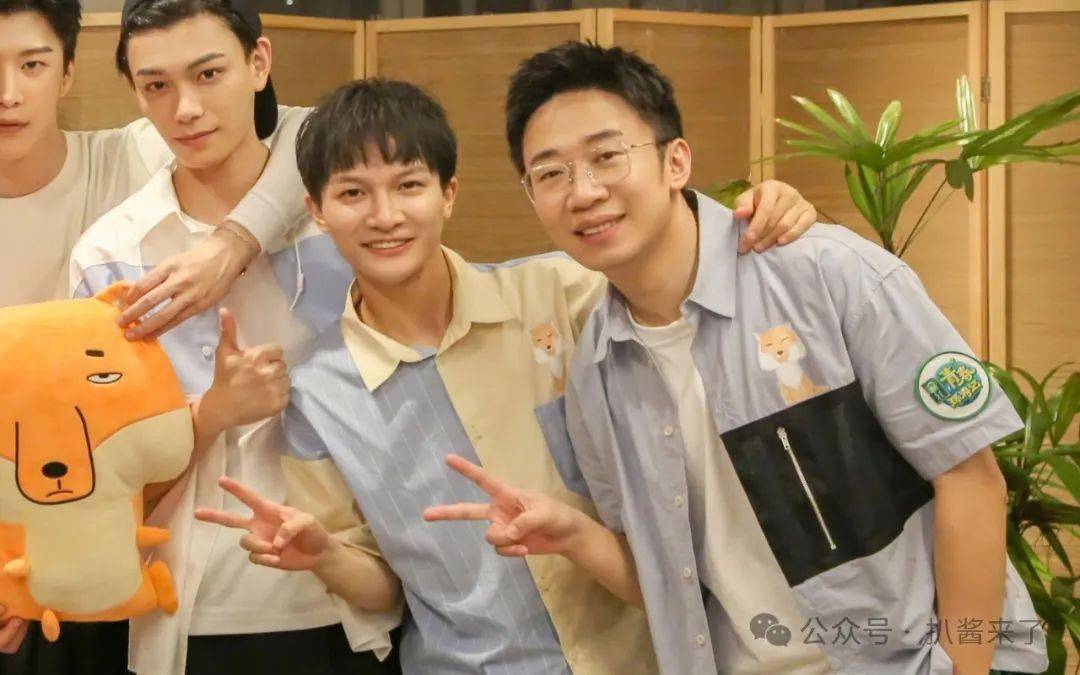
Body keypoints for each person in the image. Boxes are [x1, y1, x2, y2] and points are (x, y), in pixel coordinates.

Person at [433, 41, 1049, 674]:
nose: (583, 192)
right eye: (550, 174)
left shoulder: (827, 274)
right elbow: (671, 582)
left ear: (676, 161)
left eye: (607, 156)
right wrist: (574, 536)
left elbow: (970, 479)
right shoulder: (596, 371)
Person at [194, 76, 818, 673]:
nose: (385, 216)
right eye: (353, 194)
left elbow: (679, 272)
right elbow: (384, 589)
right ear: (317, 211)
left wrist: (761, 213)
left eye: (408, 185)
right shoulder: (316, 397)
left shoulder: (563, 294)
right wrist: (324, 557)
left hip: (646, 656)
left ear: (449, 193)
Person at [67, 2, 401, 673]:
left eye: (208, 74)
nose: (186, 109)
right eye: (157, 85)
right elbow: (96, 470)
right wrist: (211, 414)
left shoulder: (351, 223)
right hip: (188, 612)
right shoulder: (109, 255)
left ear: (259, 62)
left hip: (356, 601)